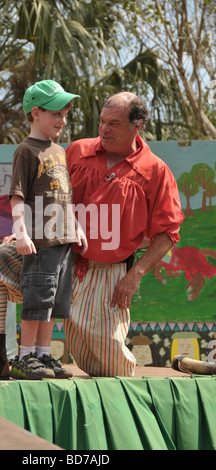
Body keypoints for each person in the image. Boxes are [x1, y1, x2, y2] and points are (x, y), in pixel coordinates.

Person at [0, 79, 87, 381]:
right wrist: (22, 232)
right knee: (37, 299)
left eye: (65, 114)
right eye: (56, 113)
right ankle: (24, 356)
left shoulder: (60, 151)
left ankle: (42, 353)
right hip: (41, 241)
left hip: (63, 240)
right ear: (36, 113)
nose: (62, 120)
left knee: (53, 302)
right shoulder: (26, 151)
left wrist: (75, 226)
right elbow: (18, 195)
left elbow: (64, 196)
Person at [62, 92, 184, 377]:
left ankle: (127, 409)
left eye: (114, 123)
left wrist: (135, 275)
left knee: (108, 357)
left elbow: (168, 232)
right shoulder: (77, 151)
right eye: (102, 122)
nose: (104, 129)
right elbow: (50, 199)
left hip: (110, 274)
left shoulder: (155, 171)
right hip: (61, 263)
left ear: (137, 124)